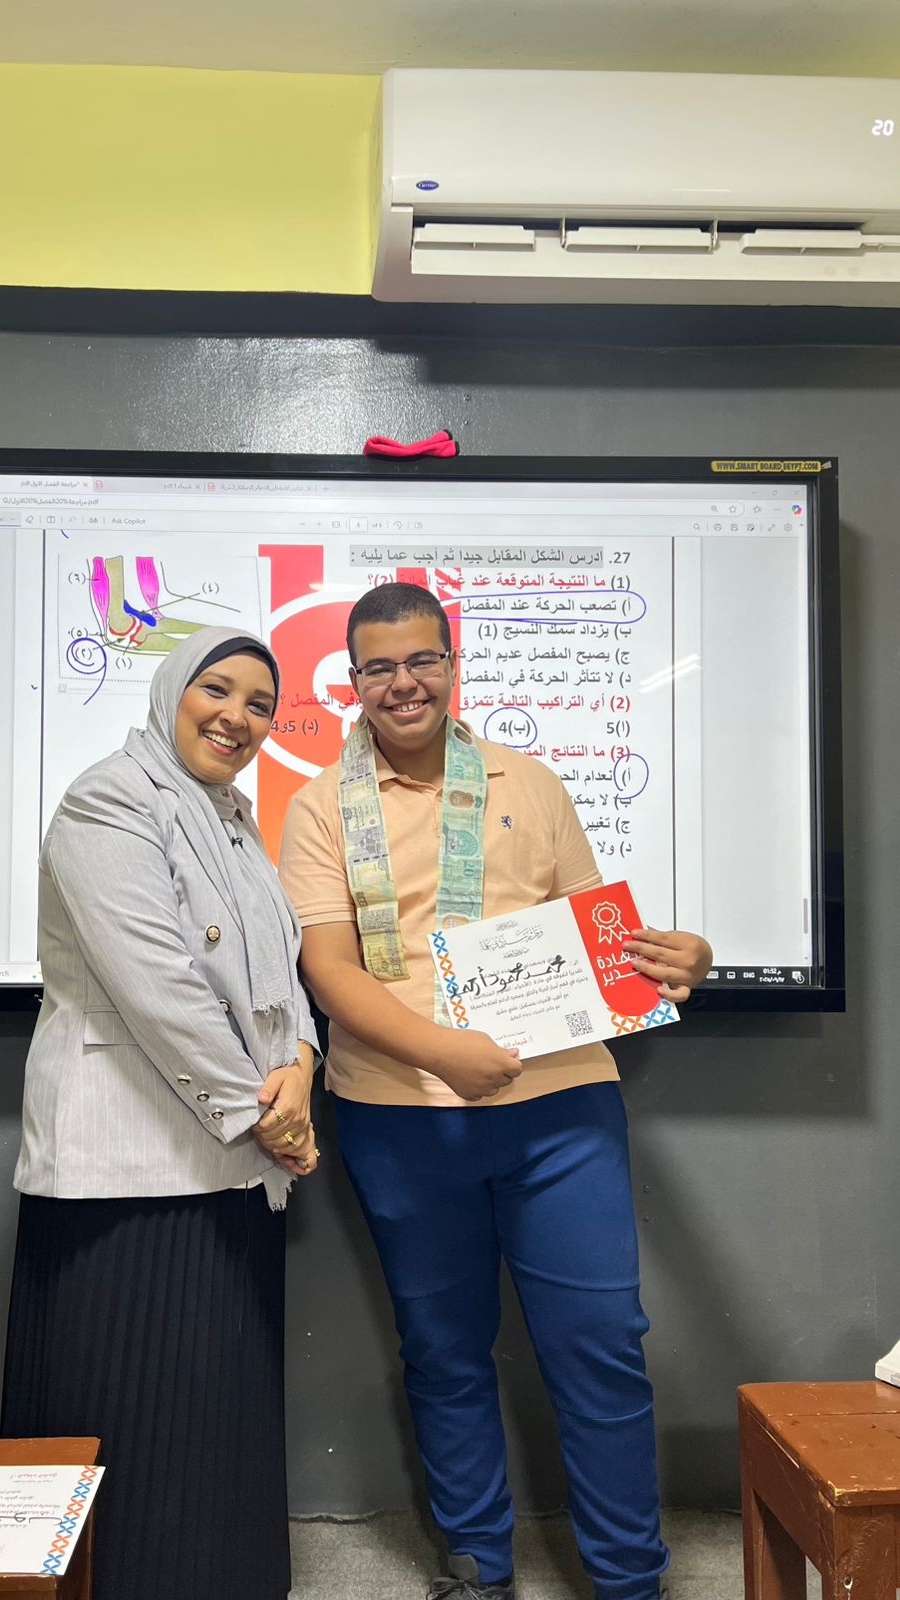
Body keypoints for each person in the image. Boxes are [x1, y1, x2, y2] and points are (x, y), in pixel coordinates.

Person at [279, 583, 712, 1600]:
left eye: (421, 659)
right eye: (378, 667)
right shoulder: (314, 808)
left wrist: (678, 958)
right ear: (353, 682)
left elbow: (600, 953)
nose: (403, 683)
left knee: (601, 1347)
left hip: (561, 1110)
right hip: (399, 1117)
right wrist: (440, 1051)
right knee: (442, 1350)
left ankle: (628, 1581)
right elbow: (329, 971)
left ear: (452, 662)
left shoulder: (533, 781)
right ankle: (479, 1569)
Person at [2, 626, 320, 1600]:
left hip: (234, 1155)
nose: (237, 716)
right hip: (125, 1165)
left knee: (211, 1404)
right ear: (172, 691)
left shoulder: (229, 818)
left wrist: (301, 1068)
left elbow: (283, 969)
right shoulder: (109, 799)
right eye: (216, 689)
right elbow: (158, 982)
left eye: (260, 703)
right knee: (125, 1409)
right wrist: (258, 1109)